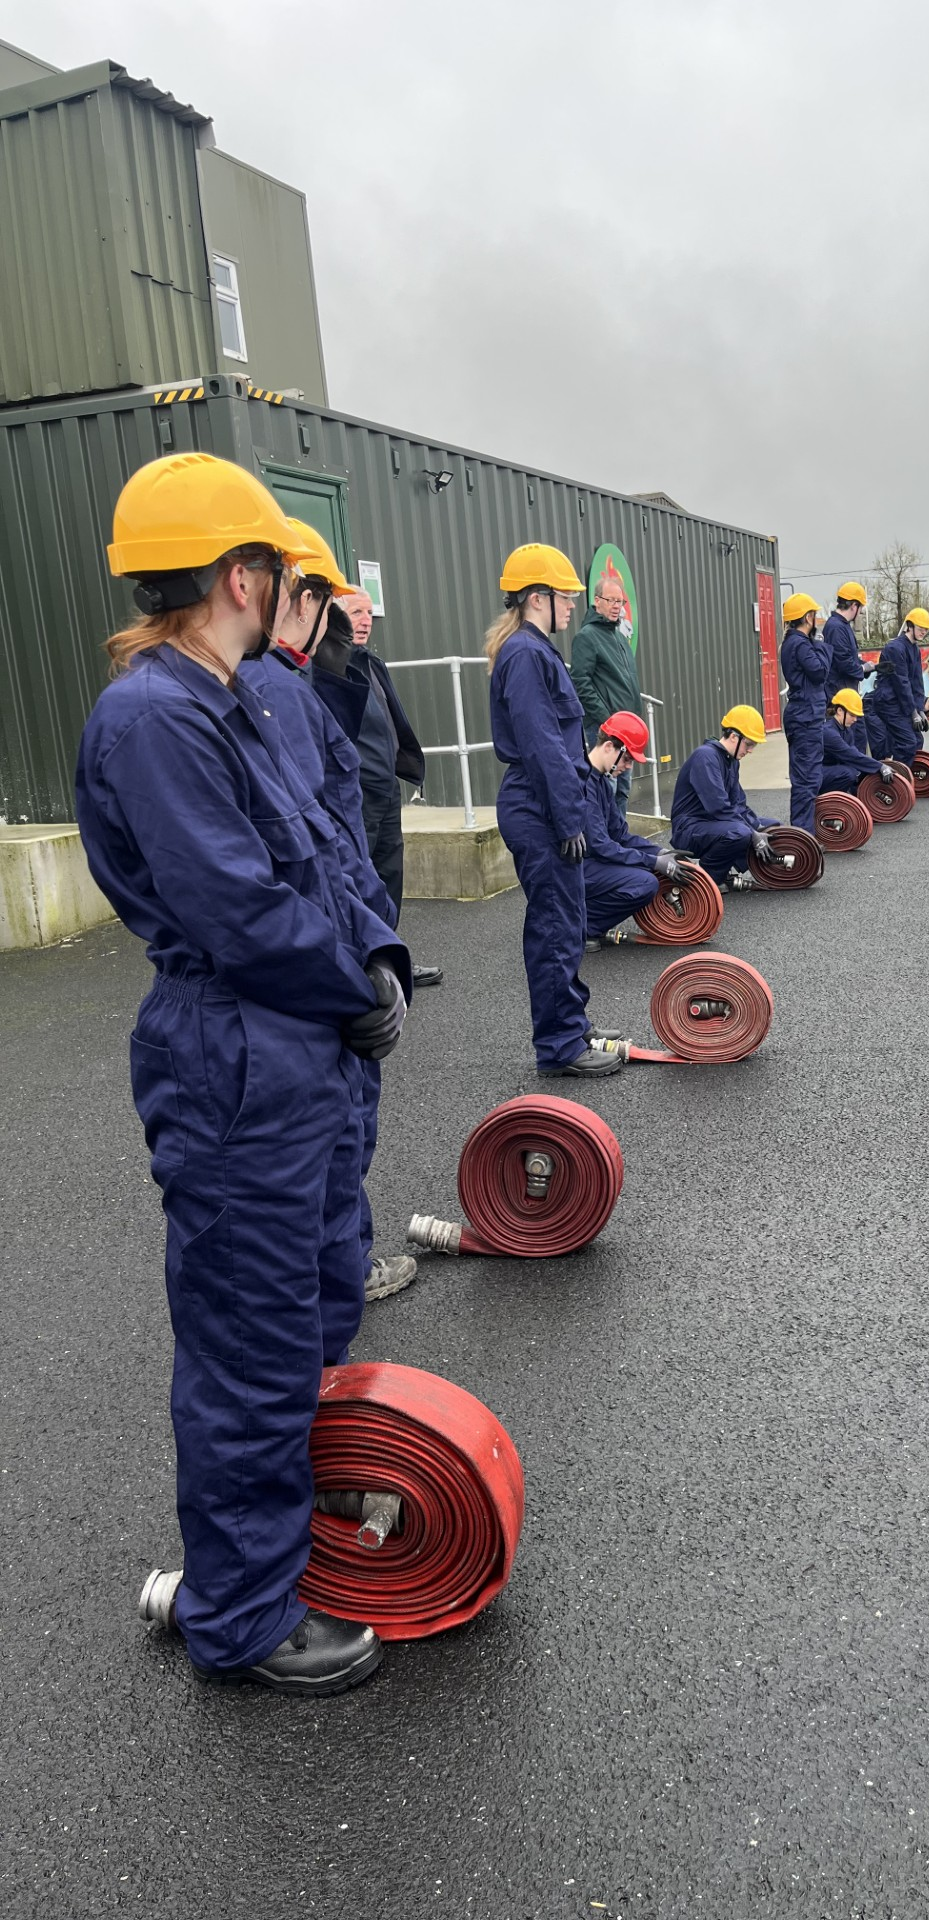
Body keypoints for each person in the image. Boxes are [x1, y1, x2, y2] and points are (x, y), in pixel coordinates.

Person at [75, 452, 411, 1696]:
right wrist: (343, 985)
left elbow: (329, 845)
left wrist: (375, 955)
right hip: (234, 1049)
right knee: (249, 1346)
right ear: (239, 574)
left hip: (300, 1042)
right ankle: (238, 1615)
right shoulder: (154, 714)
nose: (291, 588)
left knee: (323, 1294)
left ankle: (292, 1545)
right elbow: (238, 908)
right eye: (276, 565)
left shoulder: (249, 694)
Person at [248, 520, 417, 1306]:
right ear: (304, 598)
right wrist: (361, 964)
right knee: (339, 1127)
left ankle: (339, 1267)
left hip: (342, 934)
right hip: (331, 948)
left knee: (335, 1130)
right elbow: (312, 851)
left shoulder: (291, 685)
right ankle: (342, 1268)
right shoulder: (279, 691)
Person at [488, 543, 627, 1076]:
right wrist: (570, 818)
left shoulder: (536, 650)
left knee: (568, 923)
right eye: (564, 595)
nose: (572, 603)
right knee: (553, 926)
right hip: (540, 803)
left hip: (547, 797)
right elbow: (543, 743)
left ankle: (573, 1023)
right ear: (536, 597)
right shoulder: (526, 654)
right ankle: (560, 1047)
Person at [335, 590, 440, 986]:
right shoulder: (329, 669)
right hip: (355, 792)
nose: (364, 620)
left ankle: (387, 956)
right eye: (354, 612)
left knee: (388, 876)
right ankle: (361, 964)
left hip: (385, 788)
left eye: (368, 613)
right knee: (359, 877)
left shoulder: (371, 663)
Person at [580, 711, 683, 947]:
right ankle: (580, 927)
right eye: (627, 759)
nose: (627, 767)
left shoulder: (601, 783)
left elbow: (620, 836)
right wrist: (651, 862)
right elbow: (600, 845)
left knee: (646, 873)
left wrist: (660, 853)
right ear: (609, 747)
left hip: (592, 863)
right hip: (573, 867)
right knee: (644, 883)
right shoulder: (583, 784)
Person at [670, 705, 781, 890]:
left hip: (712, 824)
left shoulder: (731, 762)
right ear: (733, 736)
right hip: (689, 828)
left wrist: (759, 828)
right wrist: (753, 834)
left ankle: (730, 870)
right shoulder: (705, 757)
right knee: (741, 833)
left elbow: (738, 804)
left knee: (773, 826)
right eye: (749, 744)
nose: (751, 750)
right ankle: (704, 880)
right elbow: (719, 807)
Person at [570, 572, 643, 810]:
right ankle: (603, 842)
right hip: (604, 731)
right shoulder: (586, 637)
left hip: (626, 732)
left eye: (619, 601)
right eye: (610, 600)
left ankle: (618, 840)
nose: (616, 606)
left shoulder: (619, 638)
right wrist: (607, 721)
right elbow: (581, 682)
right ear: (596, 601)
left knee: (622, 791)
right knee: (605, 790)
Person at [779, 591, 830, 833]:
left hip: (804, 714)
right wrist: (820, 644)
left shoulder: (792, 642)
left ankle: (804, 834)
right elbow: (819, 672)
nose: (817, 620)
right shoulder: (801, 644)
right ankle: (802, 836)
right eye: (815, 615)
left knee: (807, 776)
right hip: (805, 716)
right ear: (808, 617)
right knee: (806, 779)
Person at [872, 606, 929, 768]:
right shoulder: (895, 648)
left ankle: (906, 775)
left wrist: (920, 710)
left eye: (926, 629)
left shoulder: (914, 649)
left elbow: (917, 682)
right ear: (910, 626)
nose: (923, 632)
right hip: (888, 702)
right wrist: (913, 713)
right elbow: (902, 682)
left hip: (900, 703)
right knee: (907, 742)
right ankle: (896, 780)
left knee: (917, 740)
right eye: (920, 628)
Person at [823, 582, 872, 754]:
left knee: (857, 738)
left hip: (845, 693)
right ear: (854, 605)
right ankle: (853, 777)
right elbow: (843, 662)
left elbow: (847, 658)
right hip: (840, 694)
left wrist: (867, 667)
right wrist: (863, 669)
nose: (860, 613)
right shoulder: (837, 627)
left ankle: (856, 776)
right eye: (860, 608)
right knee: (852, 742)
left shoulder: (841, 626)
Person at [820, 688, 895, 795]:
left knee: (860, 770)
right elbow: (850, 755)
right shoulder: (828, 732)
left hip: (831, 769)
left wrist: (876, 766)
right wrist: (880, 766)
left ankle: (863, 797)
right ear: (840, 711)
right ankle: (825, 801)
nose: (855, 719)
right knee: (848, 774)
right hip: (816, 774)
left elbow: (855, 754)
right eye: (852, 715)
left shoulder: (847, 730)